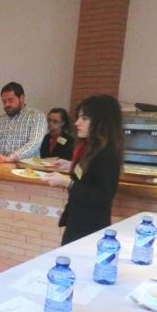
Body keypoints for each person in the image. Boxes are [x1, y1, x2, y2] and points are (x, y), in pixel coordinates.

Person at [44, 95, 124, 245]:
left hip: (90, 228)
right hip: (77, 221)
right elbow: (88, 174)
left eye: (84, 118)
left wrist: (67, 182)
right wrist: (71, 165)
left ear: (101, 122)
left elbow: (101, 198)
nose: (77, 123)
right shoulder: (90, 148)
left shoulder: (108, 154)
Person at [0, 82, 47, 162]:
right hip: (0, 166)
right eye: (4, 101)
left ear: (21, 98)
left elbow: (34, 143)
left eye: (10, 100)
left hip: (26, 167)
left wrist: (10, 158)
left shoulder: (37, 116)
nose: (7, 104)